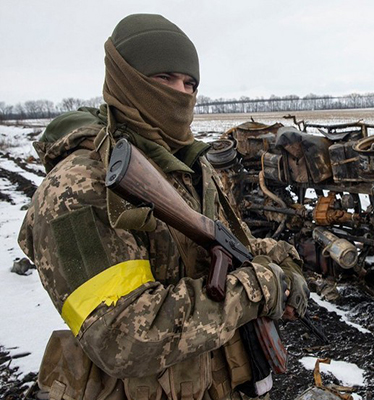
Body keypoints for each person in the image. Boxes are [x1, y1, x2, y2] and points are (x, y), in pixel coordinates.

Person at [19, 13, 308, 400]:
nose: (181, 93)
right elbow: (126, 336)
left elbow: (233, 241)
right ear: (125, 79)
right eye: (164, 79)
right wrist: (258, 288)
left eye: (190, 83)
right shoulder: (76, 186)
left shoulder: (189, 164)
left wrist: (282, 261)